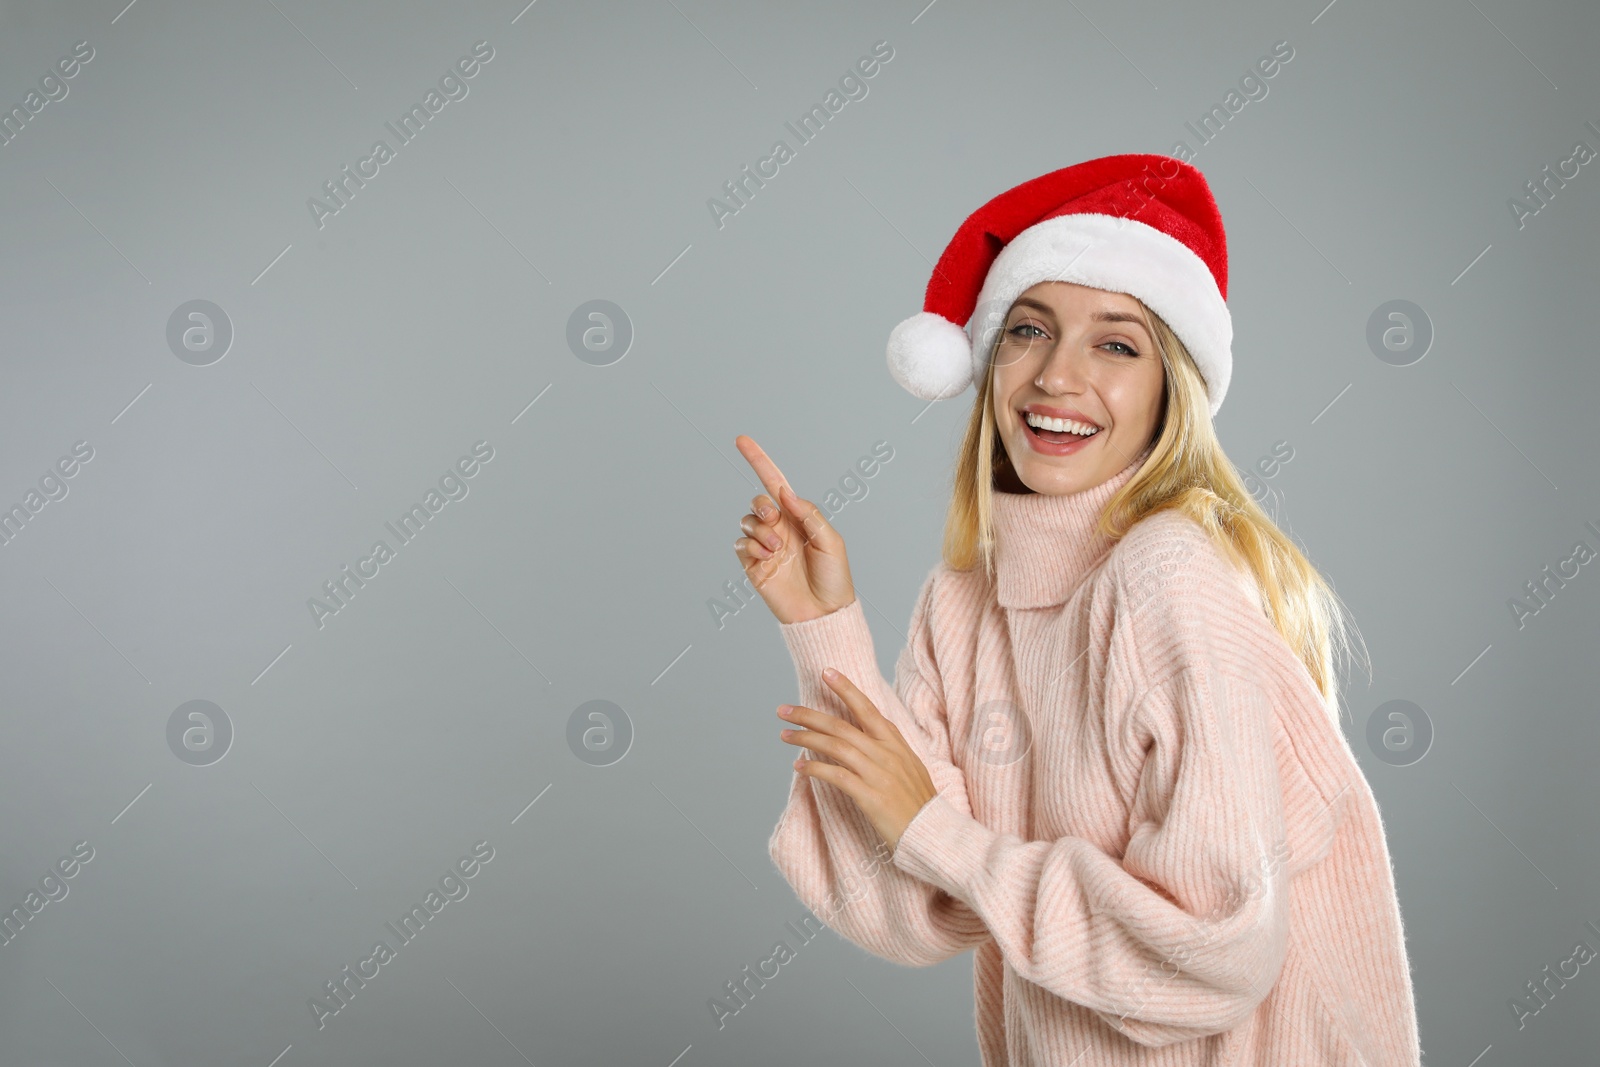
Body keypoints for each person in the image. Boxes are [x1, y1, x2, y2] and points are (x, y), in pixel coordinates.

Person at [731, 153, 1422, 1064]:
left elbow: (1213, 952)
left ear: (1172, 387)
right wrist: (825, 629)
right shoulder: (966, 599)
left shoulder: (1167, 578)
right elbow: (905, 906)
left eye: (1117, 342)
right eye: (1028, 330)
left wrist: (938, 833)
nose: (1057, 375)